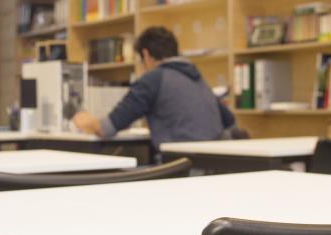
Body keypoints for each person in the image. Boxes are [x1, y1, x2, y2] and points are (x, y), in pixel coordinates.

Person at [72, 26, 236, 150]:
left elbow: (106, 129)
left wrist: (83, 119)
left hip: (182, 169)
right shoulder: (196, 76)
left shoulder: (153, 79)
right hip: (214, 168)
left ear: (146, 54)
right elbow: (229, 120)